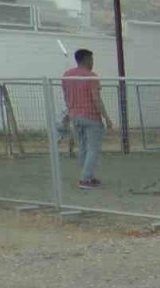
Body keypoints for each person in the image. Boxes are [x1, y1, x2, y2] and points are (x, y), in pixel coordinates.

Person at [62, 49, 112, 190]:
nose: (92, 62)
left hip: (75, 116)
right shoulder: (91, 77)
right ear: (86, 59)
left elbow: (66, 96)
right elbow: (96, 98)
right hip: (90, 116)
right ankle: (85, 178)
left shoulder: (67, 76)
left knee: (83, 147)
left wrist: (68, 113)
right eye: (91, 59)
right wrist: (106, 117)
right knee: (93, 149)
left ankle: (87, 176)